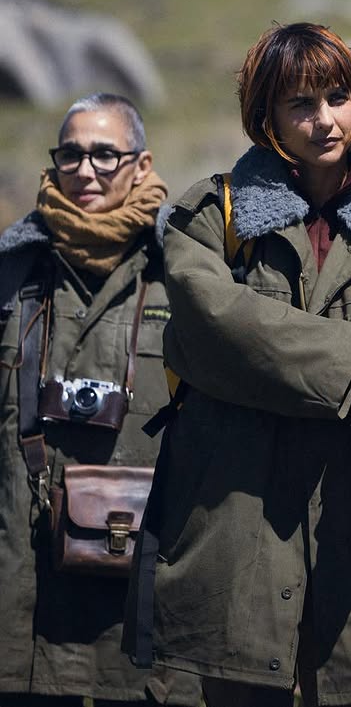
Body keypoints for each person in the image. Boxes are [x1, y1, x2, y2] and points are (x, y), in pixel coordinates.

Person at [122, 23, 351, 707]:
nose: (324, 119)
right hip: (236, 516)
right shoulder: (213, 215)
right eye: (300, 103)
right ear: (265, 115)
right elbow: (214, 326)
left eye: (337, 96)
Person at [0, 94, 200, 705]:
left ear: (141, 165)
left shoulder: (187, 271)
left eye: (105, 154)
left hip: (146, 577)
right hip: (23, 578)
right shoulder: (14, 272)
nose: (85, 170)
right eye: (71, 154)